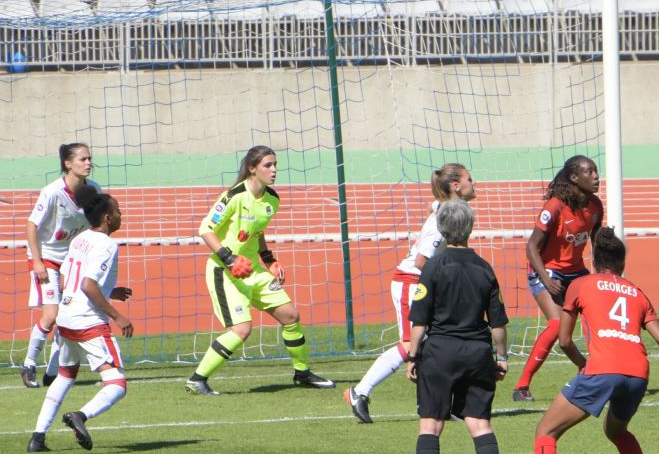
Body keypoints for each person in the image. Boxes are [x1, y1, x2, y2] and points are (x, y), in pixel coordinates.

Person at [519, 228, 659, 454]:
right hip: (638, 374)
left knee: (546, 431)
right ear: (622, 264)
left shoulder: (581, 284)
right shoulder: (637, 292)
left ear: (594, 261)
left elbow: (565, 340)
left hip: (603, 369)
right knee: (617, 431)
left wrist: (583, 364)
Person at [184, 145, 332, 395]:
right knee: (241, 329)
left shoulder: (272, 200)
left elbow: (257, 233)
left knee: (290, 316)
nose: (274, 170)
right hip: (226, 271)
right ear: (252, 168)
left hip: (253, 270)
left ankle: (302, 372)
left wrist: (269, 259)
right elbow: (205, 229)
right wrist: (229, 258)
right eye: (268, 165)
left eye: (275, 165)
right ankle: (197, 379)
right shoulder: (233, 196)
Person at [345, 163, 475, 423]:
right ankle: (359, 391)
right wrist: (444, 286)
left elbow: (434, 206)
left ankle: (430, 405)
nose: (475, 183)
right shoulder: (442, 221)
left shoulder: (448, 209)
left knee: (434, 342)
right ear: (456, 186)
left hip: (419, 282)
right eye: (470, 179)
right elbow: (421, 261)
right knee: (410, 344)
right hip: (411, 282)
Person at [404, 199, 508, 454]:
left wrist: (412, 355)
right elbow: (499, 323)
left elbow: (419, 320)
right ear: (470, 228)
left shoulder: (433, 267)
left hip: (440, 353)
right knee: (479, 423)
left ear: (443, 229)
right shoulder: (484, 268)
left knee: (431, 424)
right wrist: (501, 357)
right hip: (477, 353)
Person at [27, 185, 133, 453]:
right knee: (117, 384)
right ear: (108, 218)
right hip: (89, 322)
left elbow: (72, 277)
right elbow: (88, 285)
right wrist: (118, 316)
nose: (121, 214)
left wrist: (111, 291)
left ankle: (37, 438)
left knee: (65, 375)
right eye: (118, 210)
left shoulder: (80, 238)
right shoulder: (107, 245)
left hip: (66, 316)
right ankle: (80, 416)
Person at [511, 155, 604, 402]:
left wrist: (601, 273)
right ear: (574, 178)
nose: (596, 176)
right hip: (547, 270)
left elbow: (595, 243)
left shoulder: (596, 206)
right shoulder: (554, 206)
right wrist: (546, 279)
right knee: (555, 326)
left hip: (577, 272)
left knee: (597, 317)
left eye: (596, 171)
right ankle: (521, 386)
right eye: (590, 172)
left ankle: (595, 372)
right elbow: (532, 247)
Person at [20, 142, 99, 389]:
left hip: (72, 263)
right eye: (83, 159)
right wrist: (37, 261)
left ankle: (53, 373)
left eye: (89, 159)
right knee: (52, 314)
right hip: (49, 259)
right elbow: (31, 226)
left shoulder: (94, 191)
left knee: (68, 316)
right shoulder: (53, 192)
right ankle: (29, 364)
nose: (88, 163)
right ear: (68, 163)